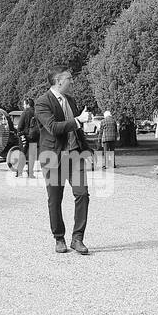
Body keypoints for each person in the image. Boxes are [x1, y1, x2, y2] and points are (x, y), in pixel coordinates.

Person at [35, 67, 93, 255]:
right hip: (53, 156)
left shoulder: (71, 100)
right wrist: (78, 120)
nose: (72, 81)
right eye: (69, 78)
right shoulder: (43, 102)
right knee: (55, 199)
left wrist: (87, 149)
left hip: (75, 155)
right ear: (58, 81)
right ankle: (59, 238)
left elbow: (77, 130)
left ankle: (77, 239)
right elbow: (53, 127)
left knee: (82, 194)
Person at [16, 97, 37, 177]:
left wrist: (20, 134)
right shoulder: (36, 112)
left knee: (22, 154)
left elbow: (20, 126)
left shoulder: (25, 113)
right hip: (34, 136)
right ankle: (30, 173)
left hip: (24, 136)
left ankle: (19, 171)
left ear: (27, 104)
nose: (23, 106)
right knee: (32, 155)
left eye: (24, 104)